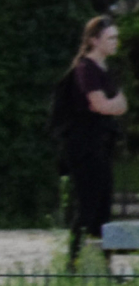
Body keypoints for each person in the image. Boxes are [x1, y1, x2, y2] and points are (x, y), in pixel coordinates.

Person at [60, 14, 127, 264]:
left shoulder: (105, 70)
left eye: (116, 37)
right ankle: (72, 262)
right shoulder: (85, 70)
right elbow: (99, 104)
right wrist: (112, 104)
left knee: (103, 208)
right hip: (85, 149)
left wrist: (112, 104)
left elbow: (122, 105)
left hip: (100, 147)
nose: (115, 42)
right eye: (110, 38)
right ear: (94, 40)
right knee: (87, 206)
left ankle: (106, 266)